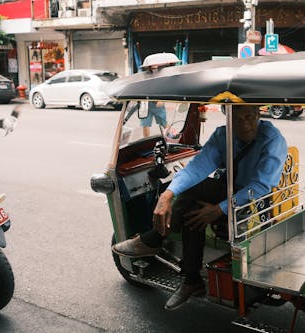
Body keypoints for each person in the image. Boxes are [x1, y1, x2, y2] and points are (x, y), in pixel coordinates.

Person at [112, 104, 288, 310]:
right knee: (191, 204)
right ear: (228, 117)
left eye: (250, 117)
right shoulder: (224, 135)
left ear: (259, 114)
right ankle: (191, 280)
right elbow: (197, 167)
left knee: (192, 203)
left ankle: (158, 242)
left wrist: (218, 209)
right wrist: (167, 196)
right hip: (230, 191)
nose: (245, 124)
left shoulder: (272, 139)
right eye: (238, 119)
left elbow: (260, 186)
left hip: (255, 204)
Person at [140, 53, 180, 137]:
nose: (155, 68)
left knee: (163, 122)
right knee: (145, 124)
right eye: (153, 67)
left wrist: (161, 100)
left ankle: (174, 136)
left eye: (157, 66)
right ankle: (146, 141)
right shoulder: (144, 75)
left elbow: (164, 89)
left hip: (157, 103)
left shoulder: (163, 75)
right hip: (145, 103)